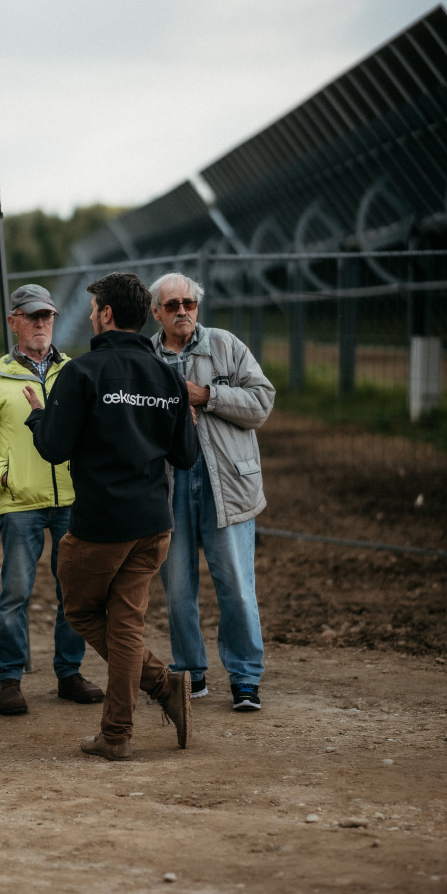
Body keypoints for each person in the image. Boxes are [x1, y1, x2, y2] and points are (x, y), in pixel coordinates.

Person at [23, 271, 197, 761]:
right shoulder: (168, 376)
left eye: (95, 306)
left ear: (104, 314)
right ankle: (116, 735)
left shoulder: (81, 373)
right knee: (125, 627)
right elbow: (186, 456)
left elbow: (54, 448)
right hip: (152, 526)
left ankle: (162, 686)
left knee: (79, 610)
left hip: (100, 525)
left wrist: (39, 415)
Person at [0, 284, 104, 716]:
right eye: (32, 316)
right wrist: (5, 475)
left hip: (71, 500)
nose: (42, 323)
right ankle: (8, 680)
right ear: (14, 321)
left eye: (47, 316)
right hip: (21, 502)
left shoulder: (77, 373)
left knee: (72, 593)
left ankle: (69, 675)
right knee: (16, 592)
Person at [149, 271, 275, 711]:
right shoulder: (146, 358)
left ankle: (245, 678)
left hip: (228, 483)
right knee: (178, 587)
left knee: (237, 586)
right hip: (171, 485)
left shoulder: (225, 345)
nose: (182, 311)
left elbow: (262, 402)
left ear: (197, 307)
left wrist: (206, 395)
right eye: (172, 306)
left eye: (189, 303)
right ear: (156, 312)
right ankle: (190, 673)